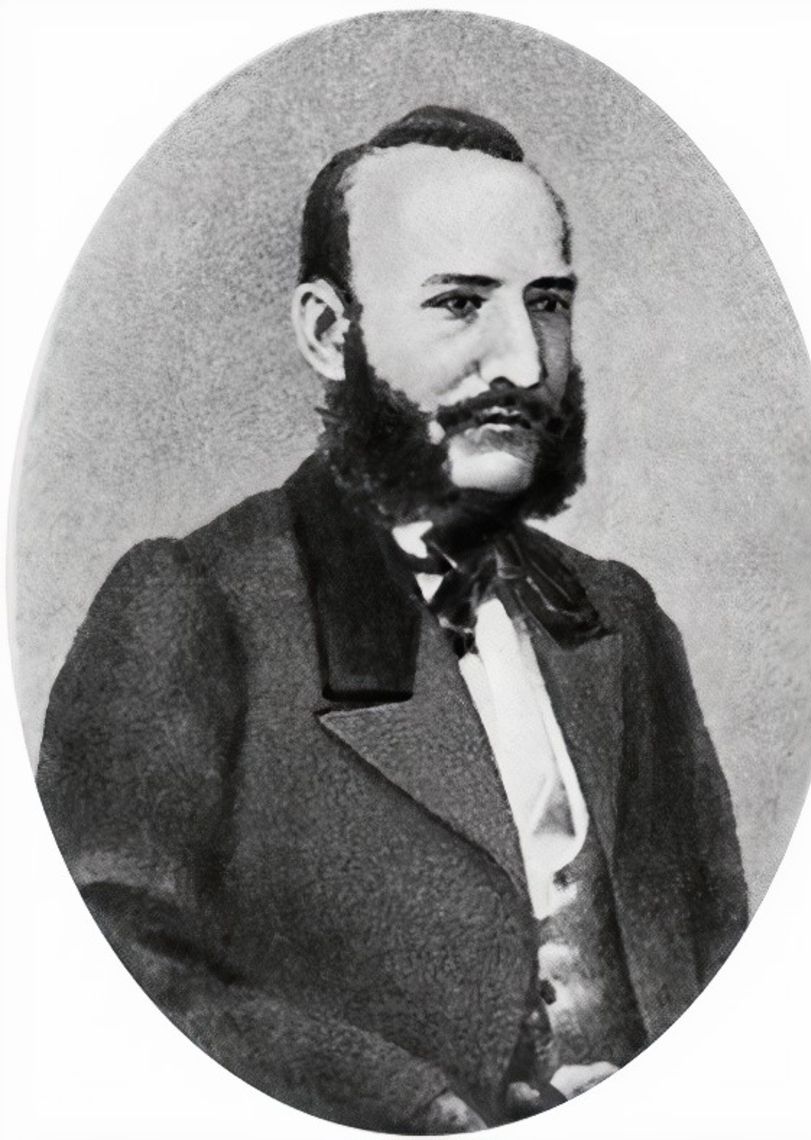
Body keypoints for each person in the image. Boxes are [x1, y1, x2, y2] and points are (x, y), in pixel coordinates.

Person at [36, 106, 748, 1134]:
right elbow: (98, 980)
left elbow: (723, 956)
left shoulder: (618, 617)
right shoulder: (193, 608)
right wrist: (411, 1104)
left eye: (547, 303)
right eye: (459, 303)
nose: (523, 362)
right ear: (330, 333)